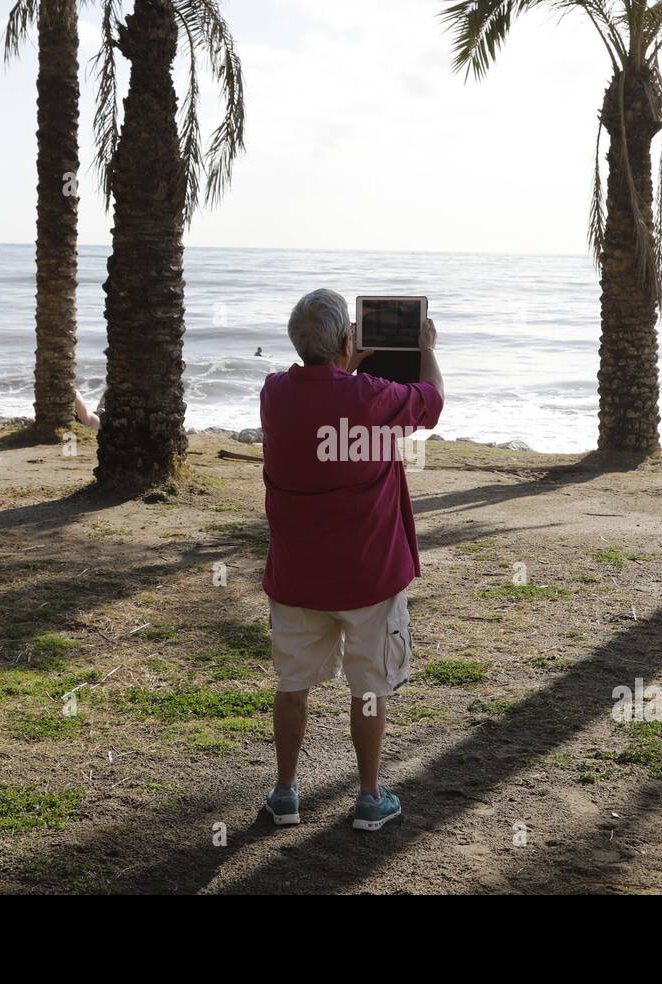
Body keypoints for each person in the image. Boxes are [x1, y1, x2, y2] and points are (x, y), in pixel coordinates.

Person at [259, 288, 444, 831]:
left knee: (292, 684)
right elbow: (430, 401)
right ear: (347, 338)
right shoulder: (372, 399)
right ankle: (368, 797)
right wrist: (427, 347)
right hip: (370, 576)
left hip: (298, 575)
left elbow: (321, 402)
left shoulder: (274, 394)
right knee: (369, 688)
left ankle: (286, 792)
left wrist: (343, 365)